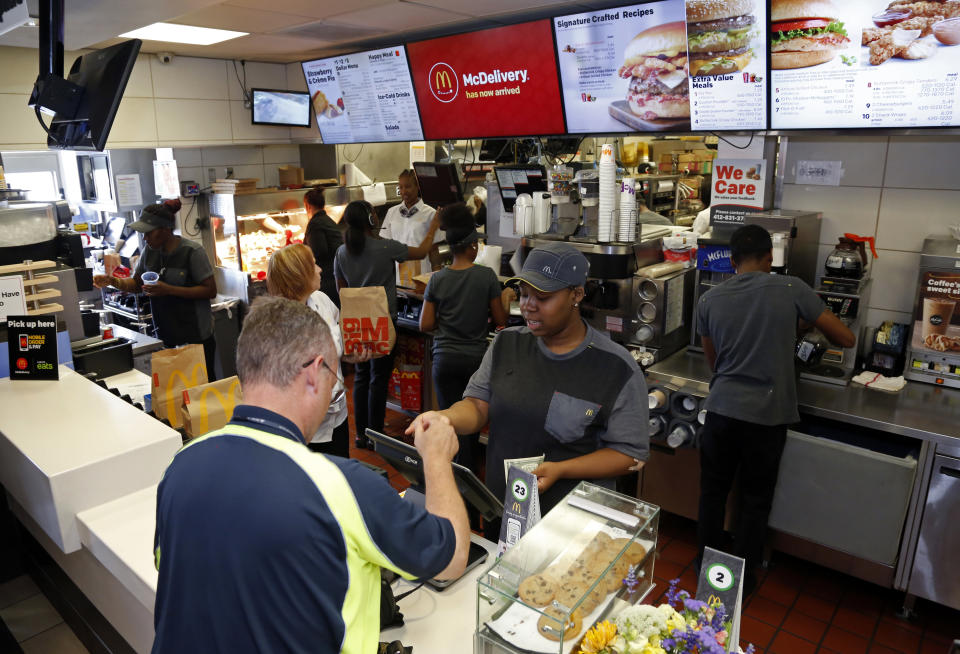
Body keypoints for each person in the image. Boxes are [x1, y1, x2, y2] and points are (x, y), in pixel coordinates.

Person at [151, 296, 469, 654]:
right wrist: (437, 457)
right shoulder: (341, 485)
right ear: (314, 374)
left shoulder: (181, 464)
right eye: (334, 376)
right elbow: (453, 556)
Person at [407, 242, 649, 538]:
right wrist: (446, 418)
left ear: (576, 294)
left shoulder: (616, 367)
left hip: (570, 521)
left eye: (542, 296)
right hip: (505, 507)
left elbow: (629, 455)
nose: (528, 305)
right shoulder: (507, 343)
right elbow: (477, 405)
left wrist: (562, 469)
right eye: (523, 293)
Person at [695, 224, 855, 594]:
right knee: (754, 501)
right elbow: (845, 339)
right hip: (767, 419)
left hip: (722, 412)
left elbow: (713, 362)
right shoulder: (792, 288)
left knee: (712, 495)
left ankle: (707, 571)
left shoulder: (710, 300)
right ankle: (743, 581)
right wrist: (795, 328)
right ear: (771, 258)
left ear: (731, 261)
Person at [334, 200, 440, 449]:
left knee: (361, 376)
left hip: (356, 323)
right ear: (371, 221)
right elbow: (422, 252)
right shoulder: (385, 247)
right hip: (383, 321)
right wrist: (434, 226)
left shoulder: (342, 252)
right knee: (379, 379)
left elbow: (342, 290)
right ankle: (376, 433)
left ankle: (361, 435)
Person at [419, 203, 507, 475]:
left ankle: (454, 475)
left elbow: (426, 324)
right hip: (475, 363)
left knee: (450, 421)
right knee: (472, 423)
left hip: (444, 360)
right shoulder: (486, 277)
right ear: (472, 246)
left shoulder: (437, 279)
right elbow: (501, 320)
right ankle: (467, 481)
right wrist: (506, 297)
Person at [93, 200, 218, 379]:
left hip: (195, 337)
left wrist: (169, 290)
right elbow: (136, 284)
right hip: (165, 335)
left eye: (148, 233)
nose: (145, 238)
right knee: (175, 393)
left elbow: (210, 290)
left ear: (165, 230)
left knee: (202, 392)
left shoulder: (192, 252)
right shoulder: (150, 251)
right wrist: (112, 281)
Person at [267, 244, 371, 458]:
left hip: (337, 416)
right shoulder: (278, 324)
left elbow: (339, 342)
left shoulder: (321, 301)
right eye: (313, 265)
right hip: (303, 428)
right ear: (298, 275)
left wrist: (352, 355)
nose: (320, 269)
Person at [380, 169, 442, 282]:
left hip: (422, 279)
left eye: (408, 187)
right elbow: (385, 248)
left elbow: (433, 251)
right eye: (401, 187)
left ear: (418, 186)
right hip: (396, 280)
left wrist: (437, 279)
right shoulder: (391, 212)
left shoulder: (430, 214)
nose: (404, 191)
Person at [302, 186, 344, 307]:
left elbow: (318, 251)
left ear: (307, 206)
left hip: (327, 279)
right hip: (335, 275)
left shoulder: (315, 224)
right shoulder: (327, 220)